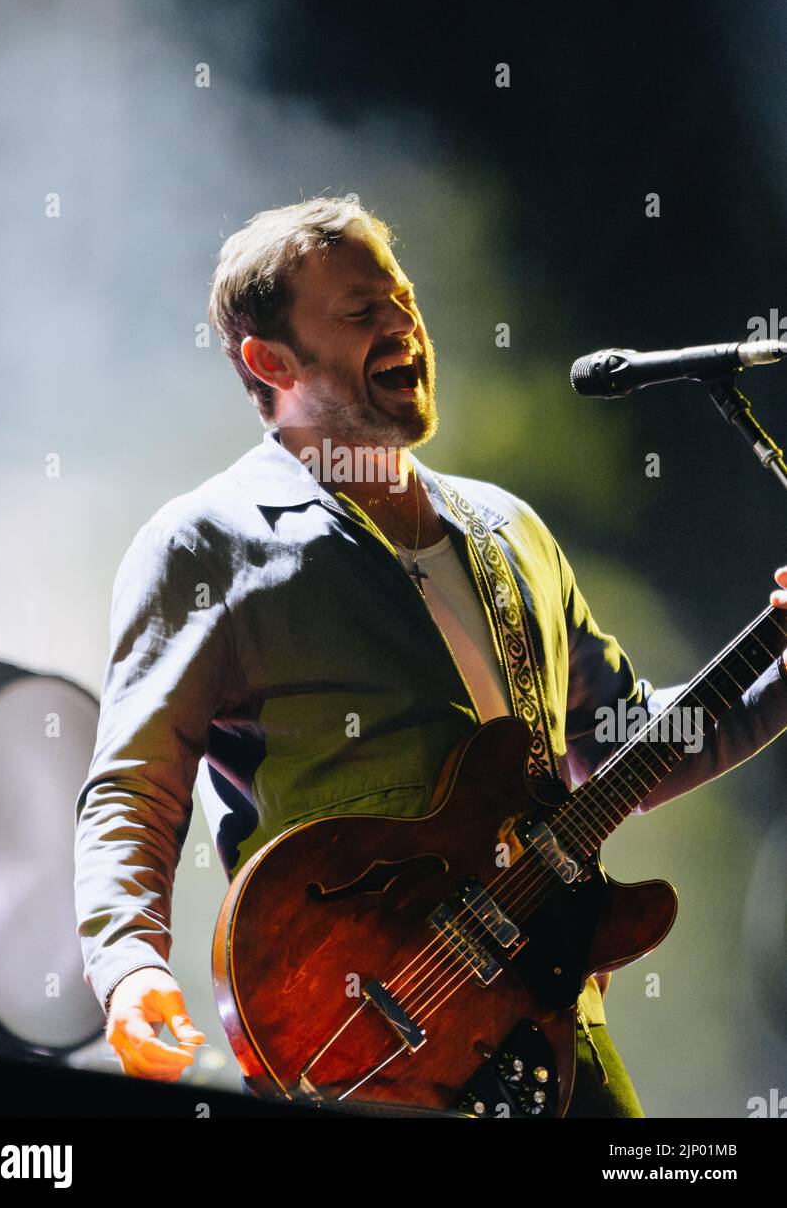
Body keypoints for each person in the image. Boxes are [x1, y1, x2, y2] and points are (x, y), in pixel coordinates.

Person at [73, 196, 787, 1115]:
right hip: (361, 1034)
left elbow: (624, 747)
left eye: (403, 298)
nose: (403, 321)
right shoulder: (205, 544)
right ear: (269, 360)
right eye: (361, 310)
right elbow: (134, 786)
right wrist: (128, 965)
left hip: (551, 1022)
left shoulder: (508, 529)